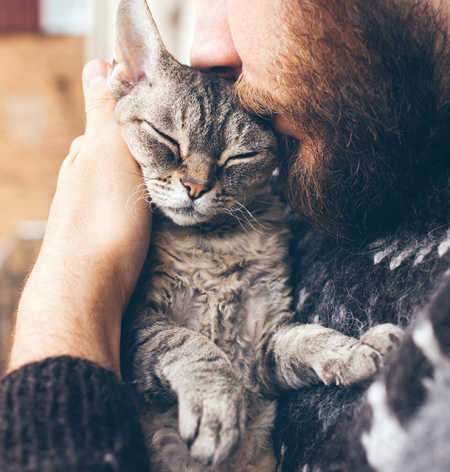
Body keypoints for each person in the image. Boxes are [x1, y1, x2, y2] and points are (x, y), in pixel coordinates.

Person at [1, 0, 449, 470]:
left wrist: (66, 290)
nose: (195, 184)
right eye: (168, 144)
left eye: (235, 161)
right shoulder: (295, 160)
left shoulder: (275, 186)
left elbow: (261, 351)